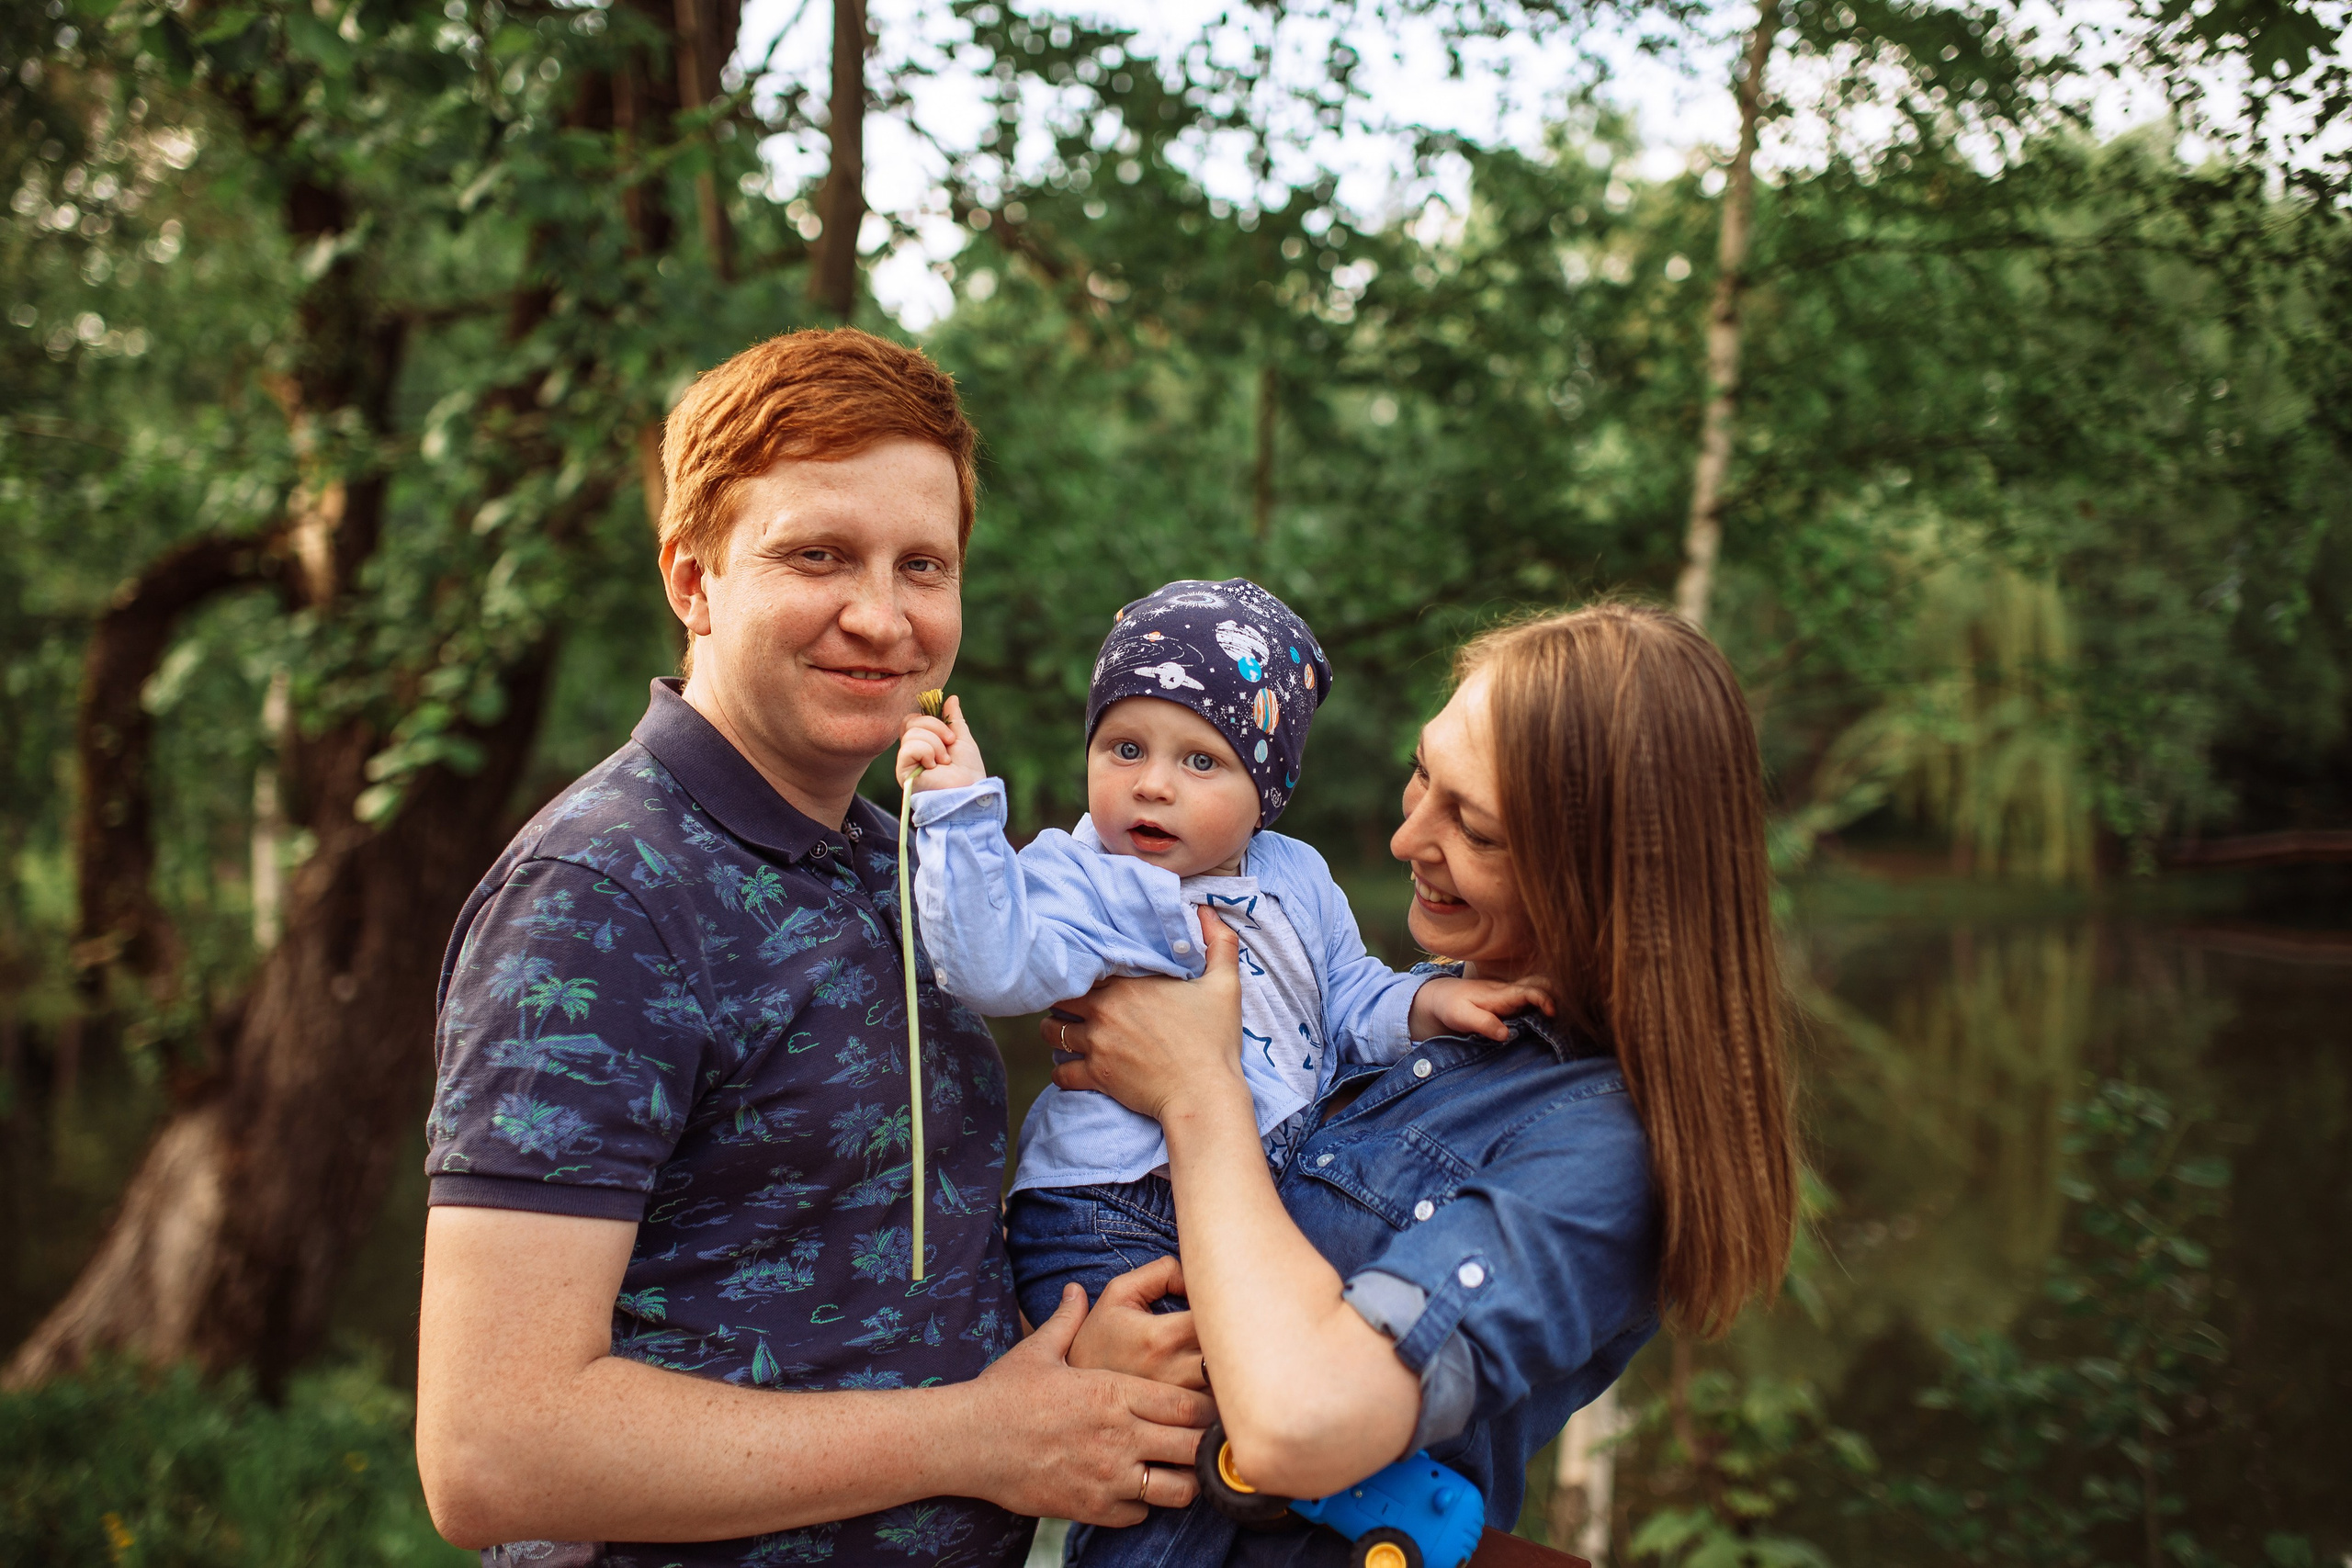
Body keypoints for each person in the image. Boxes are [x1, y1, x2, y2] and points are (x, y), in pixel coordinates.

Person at [413, 328, 1211, 1568]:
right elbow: (494, 1450)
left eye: (922, 565)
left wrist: (1050, 1363)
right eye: (817, 554)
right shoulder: (603, 894)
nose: (882, 618)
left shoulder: (907, 865)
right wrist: (976, 1437)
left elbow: (840, 1288)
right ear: (693, 581)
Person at [1046, 604, 1800, 1567]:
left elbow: (1295, 1425)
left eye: (1474, 829)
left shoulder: (1604, 1151)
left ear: (1611, 875)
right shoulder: (1397, 1019)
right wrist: (1096, 1350)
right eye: (1421, 773)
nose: (1406, 839)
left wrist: (1197, 1088)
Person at [892, 578, 1545, 1328]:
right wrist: (960, 814)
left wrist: (1430, 1001)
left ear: (1266, 792)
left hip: (1253, 1199)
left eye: (1201, 762)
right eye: (1125, 748)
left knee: (1271, 1359)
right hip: (1106, 1206)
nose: (1153, 785)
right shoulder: (1082, 876)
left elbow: (1348, 994)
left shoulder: (1298, 875)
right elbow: (987, 964)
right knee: (1182, 1374)